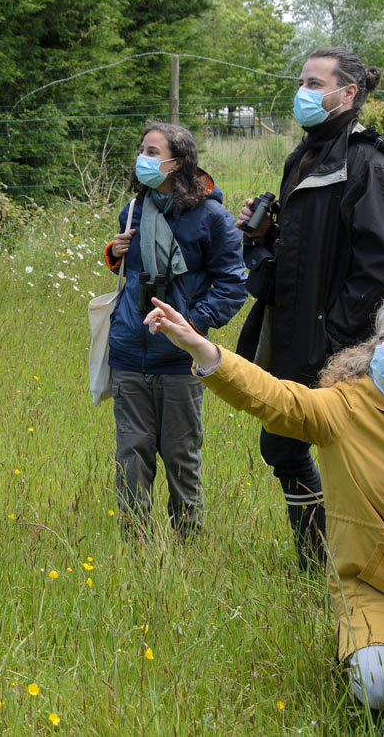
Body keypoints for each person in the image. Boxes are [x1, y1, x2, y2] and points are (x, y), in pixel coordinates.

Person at [143, 292, 384, 710]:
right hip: (375, 588)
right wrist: (202, 348)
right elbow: (278, 398)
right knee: (382, 685)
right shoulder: (346, 406)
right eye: (383, 339)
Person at [235, 46, 384, 569]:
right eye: (303, 82)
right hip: (292, 330)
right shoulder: (305, 156)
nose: (304, 92)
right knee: (284, 446)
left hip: (341, 345)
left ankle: (363, 560)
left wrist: (337, 334)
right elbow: (298, 249)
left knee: (348, 456)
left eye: (315, 83)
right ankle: (314, 560)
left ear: (348, 93)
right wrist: (267, 233)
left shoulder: (368, 164)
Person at [103, 122, 246, 540]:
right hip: (130, 351)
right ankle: (135, 544)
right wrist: (114, 252)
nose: (143, 159)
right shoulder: (133, 210)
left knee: (181, 456)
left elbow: (234, 284)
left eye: (152, 151)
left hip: (180, 360)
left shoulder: (212, 217)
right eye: (141, 150)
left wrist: (192, 325)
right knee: (131, 454)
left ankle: (187, 544)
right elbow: (129, 274)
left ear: (178, 162)